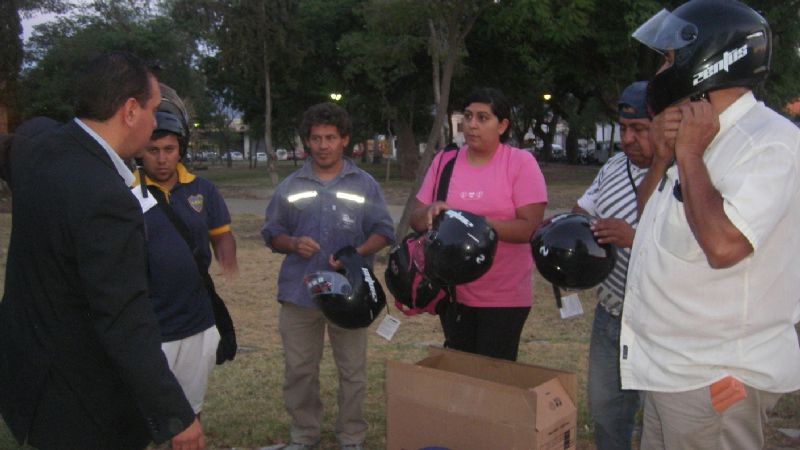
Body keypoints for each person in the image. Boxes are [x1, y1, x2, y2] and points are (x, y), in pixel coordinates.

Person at [0, 52, 204, 450]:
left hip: (27, 375)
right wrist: (175, 414)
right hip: (80, 401)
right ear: (130, 111)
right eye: (152, 109)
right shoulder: (107, 199)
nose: (154, 121)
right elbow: (123, 318)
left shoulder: (37, 149)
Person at [621, 1, 800, 448]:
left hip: (714, 375)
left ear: (707, 61)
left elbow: (723, 247)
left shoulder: (769, 144)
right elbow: (647, 224)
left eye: (668, 59)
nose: (661, 71)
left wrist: (690, 156)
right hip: (671, 368)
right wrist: (664, 158)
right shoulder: (695, 133)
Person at [261, 102, 394, 450]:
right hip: (300, 294)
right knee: (300, 371)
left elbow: (383, 231)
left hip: (351, 295)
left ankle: (351, 437)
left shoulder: (364, 184)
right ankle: (304, 435)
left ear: (344, 140)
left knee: (353, 371)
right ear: (307, 141)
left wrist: (355, 254)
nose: (323, 145)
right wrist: (292, 243)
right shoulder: (291, 185)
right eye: (316, 138)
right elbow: (271, 232)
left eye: (330, 138)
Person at [410, 87, 548, 361]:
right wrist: (431, 213)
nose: (472, 125)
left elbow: (530, 228)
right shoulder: (445, 161)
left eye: (483, 118)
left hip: (504, 296)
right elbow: (415, 219)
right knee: (461, 372)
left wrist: (476, 225)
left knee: (493, 375)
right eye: (468, 116)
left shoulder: (520, 163)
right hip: (453, 294)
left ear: (503, 125)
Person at [134, 84, 238, 418]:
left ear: (181, 149)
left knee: (191, 406)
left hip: (197, 317)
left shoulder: (202, 189)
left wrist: (226, 255)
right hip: (150, 321)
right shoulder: (125, 194)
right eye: (153, 150)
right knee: (145, 409)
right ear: (139, 151)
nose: (162, 158)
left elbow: (221, 234)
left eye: (169, 149)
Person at [572, 81, 652, 450]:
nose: (628, 139)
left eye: (639, 129)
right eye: (623, 128)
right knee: (605, 413)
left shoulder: (685, 172)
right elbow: (582, 210)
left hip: (661, 318)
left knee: (658, 421)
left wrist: (632, 237)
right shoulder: (615, 166)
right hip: (613, 312)